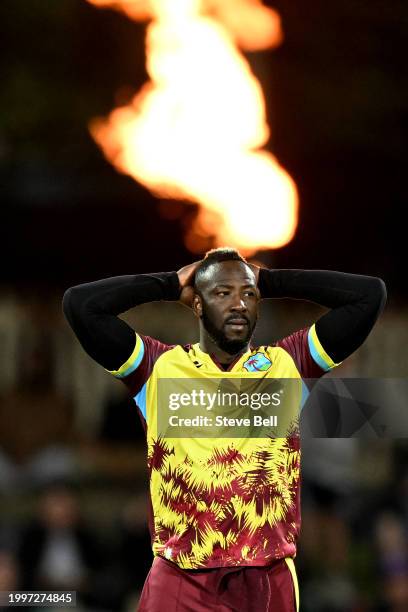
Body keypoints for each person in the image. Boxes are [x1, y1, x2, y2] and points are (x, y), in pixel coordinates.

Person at [62, 248, 386, 612]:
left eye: (248, 294)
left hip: (267, 578)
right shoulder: (157, 368)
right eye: (222, 292)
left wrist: (266, 279)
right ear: (197, 305)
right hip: (180, 577)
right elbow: (80, 305)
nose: (238, 304)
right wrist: (170, 283)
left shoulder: (287, 365)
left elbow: (369, 295)